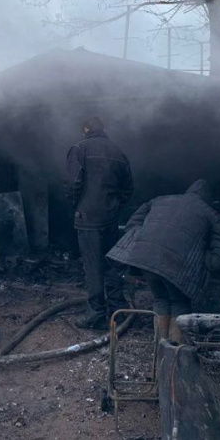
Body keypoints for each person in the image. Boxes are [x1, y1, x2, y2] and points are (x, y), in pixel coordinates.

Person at [107, 179, 220, 343]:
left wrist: (143, 240)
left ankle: (160, 344)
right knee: (179, 302)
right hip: (178, 265)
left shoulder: (159, 200)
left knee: (160, 299)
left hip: (146, 260)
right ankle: (174, 350)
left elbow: (133, 223)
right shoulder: (210, 213)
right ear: (209, 197)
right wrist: (203, 262)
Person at [67, 116, 134, 330]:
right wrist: (114, 206)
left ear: (85, 128)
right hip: (110, 218)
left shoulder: (79, 149)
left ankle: (96, 314)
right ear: (103, 128)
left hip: (88, 219)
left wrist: (77, 205)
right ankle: (117, 309)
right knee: (112, 264)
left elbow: (74, 183)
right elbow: (128, 188)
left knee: (93, 266)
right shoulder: (118, 152)